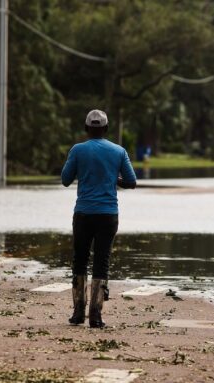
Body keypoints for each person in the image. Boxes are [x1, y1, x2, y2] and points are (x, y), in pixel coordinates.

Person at [61, 110, 136, 328]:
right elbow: (131, 182)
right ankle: (96, 316)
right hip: (108, 214)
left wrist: (83, 171)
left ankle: (77, 314)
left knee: (80, 259)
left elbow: (65, 179)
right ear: (106, 128)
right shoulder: (118, 151)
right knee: (102, 261)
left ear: (86, 129)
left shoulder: (77, 150)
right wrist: (113, 177)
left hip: (83, 213)